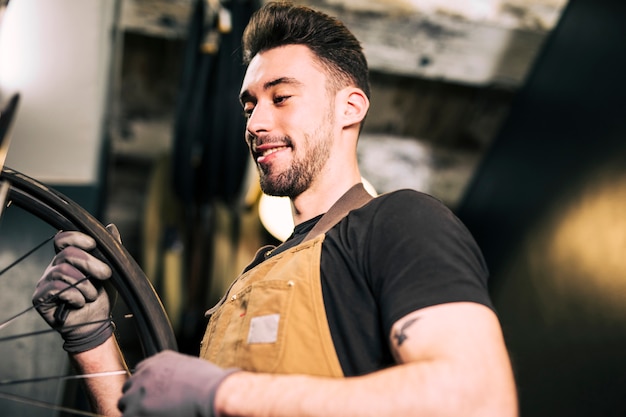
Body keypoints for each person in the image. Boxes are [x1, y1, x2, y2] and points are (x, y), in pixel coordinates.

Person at [32, 2, 518, 416]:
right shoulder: (250, 280)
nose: (256, 122)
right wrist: (90, 336)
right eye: (249, 107)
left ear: (350, 107)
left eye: (281, 97)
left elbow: (477, 400)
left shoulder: (400, 223)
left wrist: (223, 391)